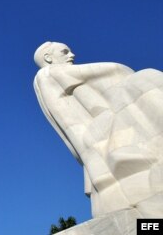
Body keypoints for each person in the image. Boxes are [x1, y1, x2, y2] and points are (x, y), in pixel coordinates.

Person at [33, 42, 163, 217]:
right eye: (65, 52)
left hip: (100, 130)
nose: (72, 55)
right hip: (99, 133)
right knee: (146, 77)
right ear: (48, 58)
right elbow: (115, 69)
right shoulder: (47, 74)